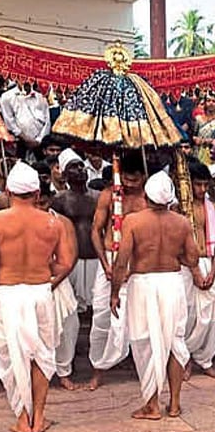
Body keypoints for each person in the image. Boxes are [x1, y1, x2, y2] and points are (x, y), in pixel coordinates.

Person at [0, 161, 73, 432]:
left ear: (7, 191)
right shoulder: (53, 223)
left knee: (11, 358)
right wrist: (44, 273)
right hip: (40, 291)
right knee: (41, 355)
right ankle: (39, 417)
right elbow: (65, 263)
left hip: (6, 295)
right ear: (36, 193)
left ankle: (23, 418)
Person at [111, 171, 199, 420]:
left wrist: (115, 292)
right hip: (172, 283)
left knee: (146, 342)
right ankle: (174, 404)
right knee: (174, 343)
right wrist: (174, 256)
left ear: (147, 195)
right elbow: (193, 258)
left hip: (143, 284)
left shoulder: (133, 221)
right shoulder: (181, 222)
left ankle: (151, 405)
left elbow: (121, 262)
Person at [89, 150, 147, 390]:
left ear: (144, 177)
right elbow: (96, 231)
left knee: (138, 319)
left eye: (136, 179)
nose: (131, 184)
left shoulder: (148, 199)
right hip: (109, 261)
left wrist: (132, 269)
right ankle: (98, 369)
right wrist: (105, 264)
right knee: (102, 315)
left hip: (138, 264)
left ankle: (141, 366)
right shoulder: (108, 195)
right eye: (127, 178)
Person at [37, 178, 80, 390]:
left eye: (43, 203)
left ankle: (64, 371)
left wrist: (53, 283)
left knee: (68, 328)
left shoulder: (63, 222)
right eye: (35, 204)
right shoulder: (21, 222)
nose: (39, 209)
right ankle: (39, 374)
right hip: (31, 284)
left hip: (58, 283)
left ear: (50, 200)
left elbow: (70, 259)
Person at [52, 148, 98, 312]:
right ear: (64, 175)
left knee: (97, 307)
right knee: (73, 308)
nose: (80, 169)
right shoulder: (59, 200)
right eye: (74, 166)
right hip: (72, 261)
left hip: (96, 257)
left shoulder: (98, 197)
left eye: (81, 165)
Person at [183, 161, 215, 378]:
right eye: (198, 184)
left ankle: (204, 358)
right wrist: (194, 270)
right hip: (186, 266)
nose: (202, 190)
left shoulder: (211, 207)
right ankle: (183, 358)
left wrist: (212, 270)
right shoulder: (178, 208)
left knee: (209, 316)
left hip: (208, 261)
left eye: (205, 185)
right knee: (187, 314)